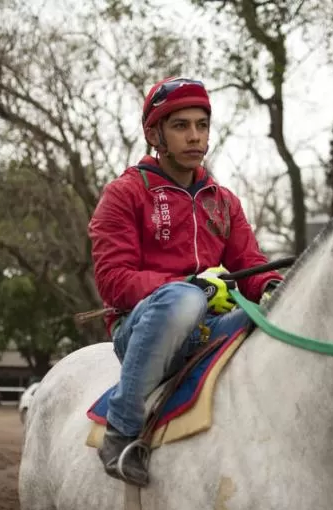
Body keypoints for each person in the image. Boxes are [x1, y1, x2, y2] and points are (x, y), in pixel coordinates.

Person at [87, 77, 284, 487]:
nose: (195, 136)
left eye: (202, 125)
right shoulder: (124, 194)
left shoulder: (224, 200)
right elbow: (114, 281)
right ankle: (122, 431)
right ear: (154, 133)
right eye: (181, 126)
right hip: (142, 330)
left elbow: (250, 263)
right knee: (182, 300)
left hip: (210, 331)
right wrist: (193, 287)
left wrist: (269, 288)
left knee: (280, 314)